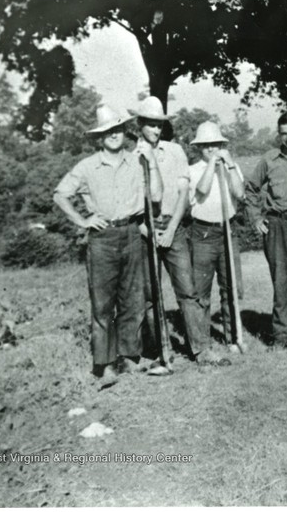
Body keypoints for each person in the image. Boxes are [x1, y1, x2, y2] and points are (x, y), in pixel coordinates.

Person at [53, 105, 162, 383]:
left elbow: (156, 195)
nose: (114, 135)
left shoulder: (137, 161)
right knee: (103, 304)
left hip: (132, 232)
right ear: (99, 137)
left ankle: (129, 358)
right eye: (108, 131)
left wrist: (151, 162)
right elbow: (61, 195)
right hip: (102, 238)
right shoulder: (87, 166)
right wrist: (82, 220)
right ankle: (106, 364)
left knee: (133, 300)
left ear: (124, 132)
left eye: (118, 129)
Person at [129, 96, 224, 366]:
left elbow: (184, 194)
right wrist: (148, 231)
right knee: (149, 295)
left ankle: (202, 349)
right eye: (150, 125)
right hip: (144, 229)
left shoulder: (175, 152)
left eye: (159, 125)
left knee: (188, 290)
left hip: (174, 228)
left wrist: (170, 230)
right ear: (140, 125)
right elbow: (130, 205)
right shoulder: (131, 158)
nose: (155, 130)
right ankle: (159, 349)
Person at [245, 111, 287, 348]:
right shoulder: (269, 159)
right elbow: (251, 188)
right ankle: (283, 337)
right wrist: (255, 218)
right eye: (284, 133)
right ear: (279, 135)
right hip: (275, 225)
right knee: (280, 283)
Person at [188, 121, 245, 364]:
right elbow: (201, 191)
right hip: (202, 234)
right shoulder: (193, 170)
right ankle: (203, 341)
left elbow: (240, 193)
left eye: (216, 145)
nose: (212, 149)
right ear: (200, 148)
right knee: (201, 291)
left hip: (227, 229)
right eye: (207, 146)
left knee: (230, 286)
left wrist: (229, 165)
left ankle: (233, 337)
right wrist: (211, 164)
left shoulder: (231, 167)